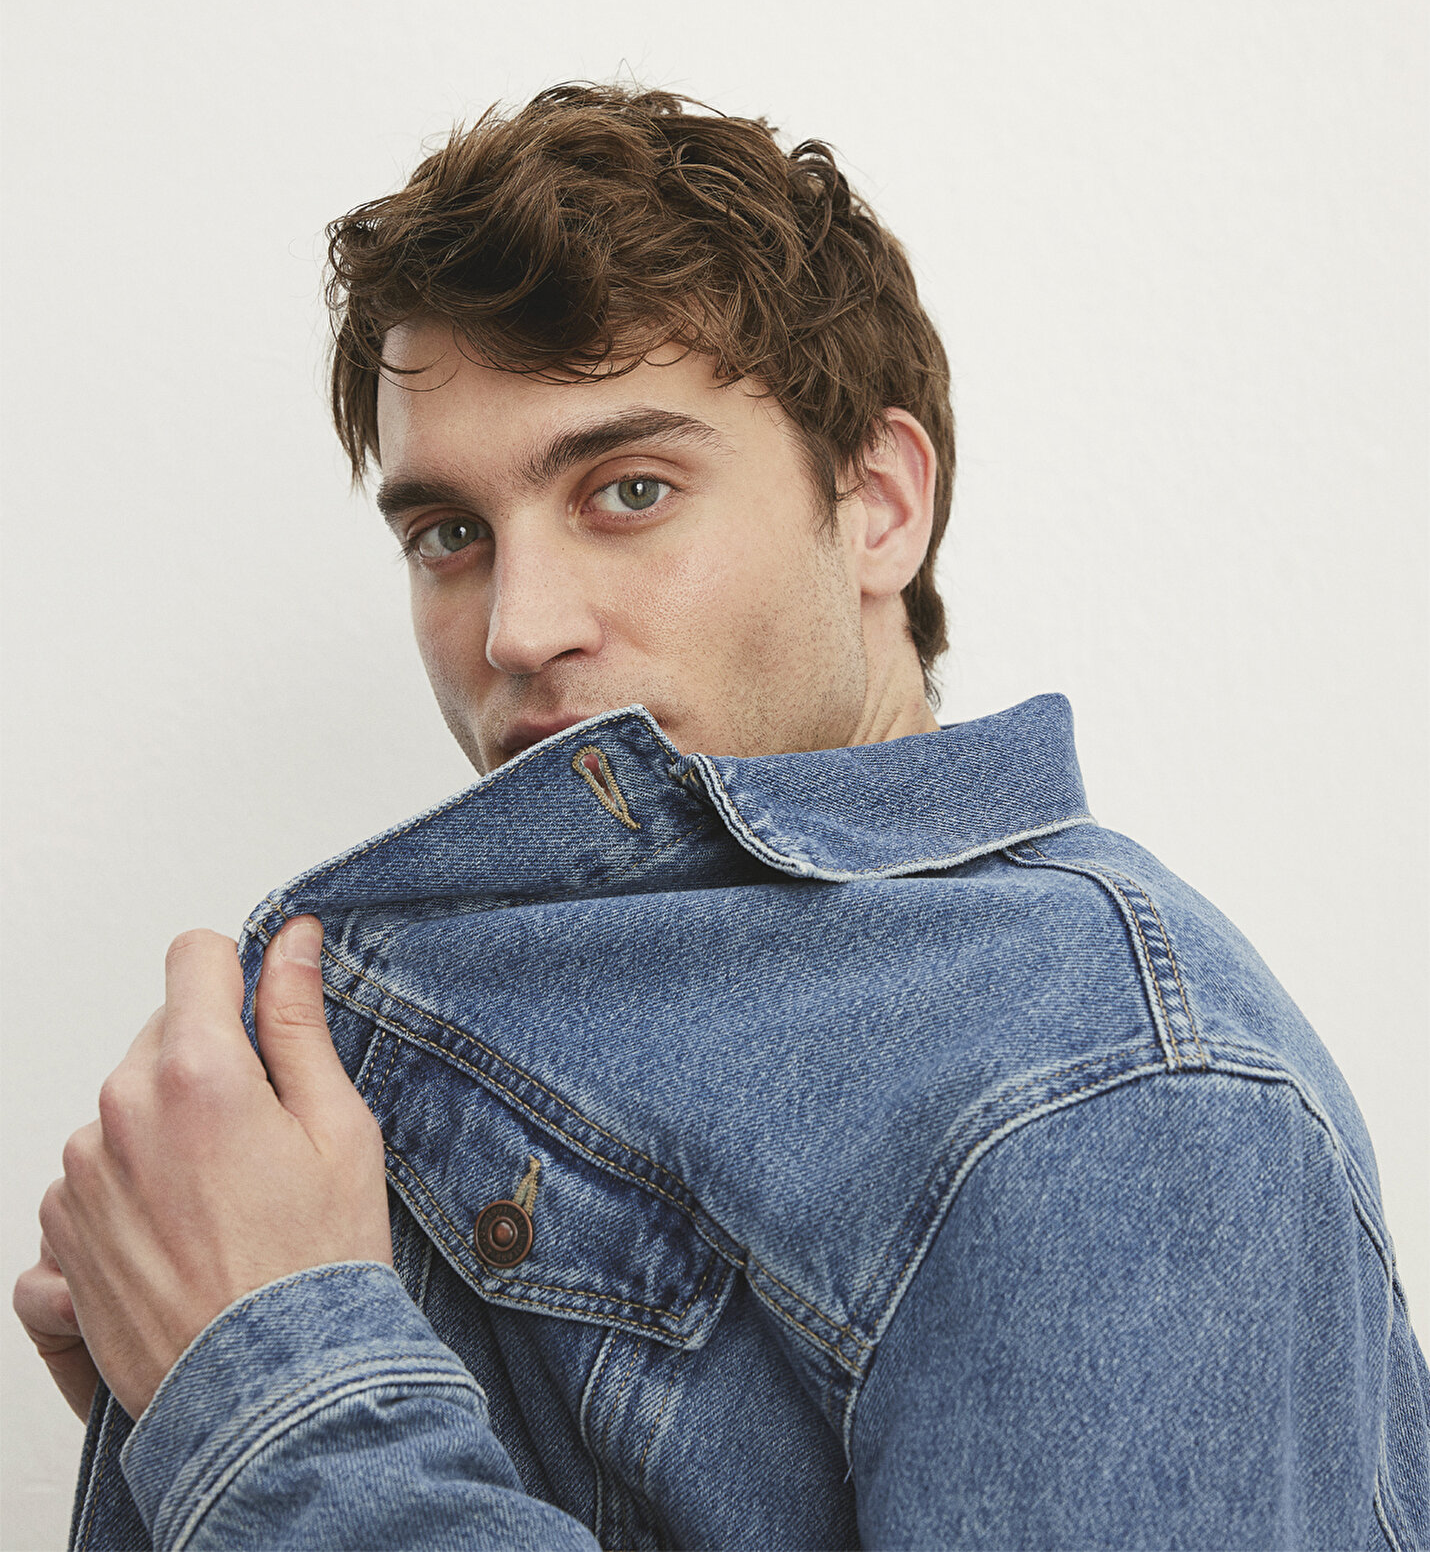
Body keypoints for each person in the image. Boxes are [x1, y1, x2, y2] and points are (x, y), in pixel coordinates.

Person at [16, 83, 1429, 1551]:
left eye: (628, 490)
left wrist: (274, 1388)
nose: (516, 627)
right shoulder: (561, 976)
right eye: (451, 534)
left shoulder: (1119, 1089)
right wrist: (169, 1406)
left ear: (877, 504)